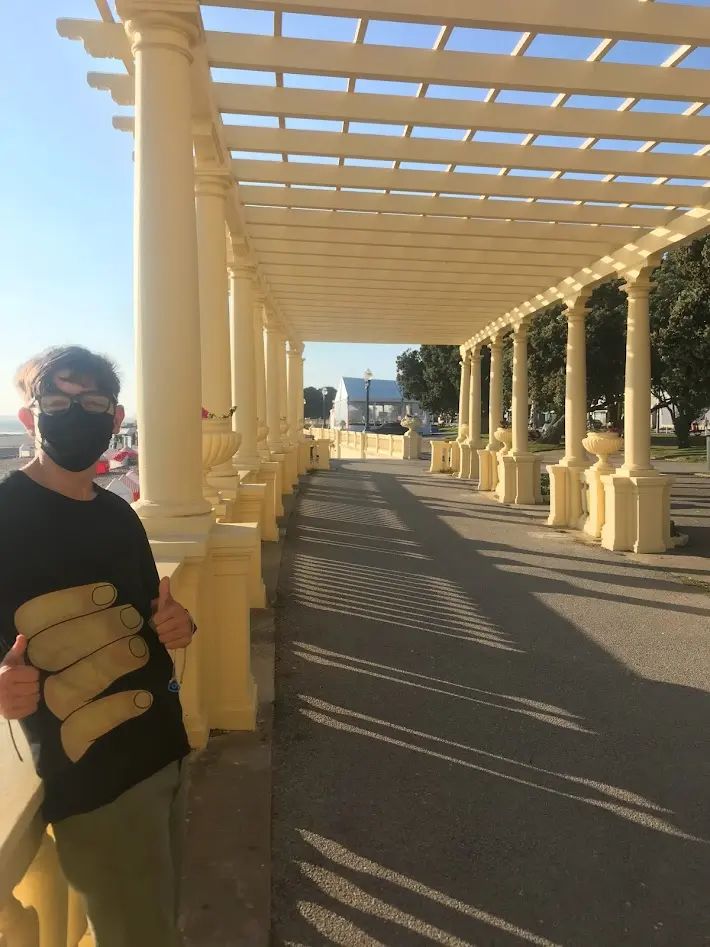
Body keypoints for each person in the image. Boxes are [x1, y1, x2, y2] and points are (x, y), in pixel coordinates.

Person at [0, 346, 195, 947]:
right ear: (31, 418)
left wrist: (179, 624)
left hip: (163, 750)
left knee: (160, 923)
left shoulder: (118, 515)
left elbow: (150, 613)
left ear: (115, 419)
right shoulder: (5, 516)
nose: (75, 415)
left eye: (92, 404)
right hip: (93, 779)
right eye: (56, 402)